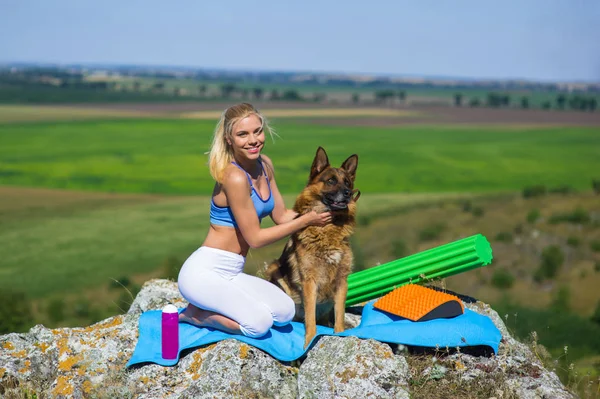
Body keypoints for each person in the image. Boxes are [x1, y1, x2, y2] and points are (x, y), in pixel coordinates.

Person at [178, 102, 332, 338]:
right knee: (258, 325)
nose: (253, 140)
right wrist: (306, 221)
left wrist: (321, 214)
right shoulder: (234, 177)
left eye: (257, 131)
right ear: (229, 139)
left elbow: (281, 216)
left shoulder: (265, 165)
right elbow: (256, 239)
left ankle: (210, 307)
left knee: (285, 312)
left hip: (233, 271)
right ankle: (195, 315)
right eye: (242, 134)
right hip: (204, 272)